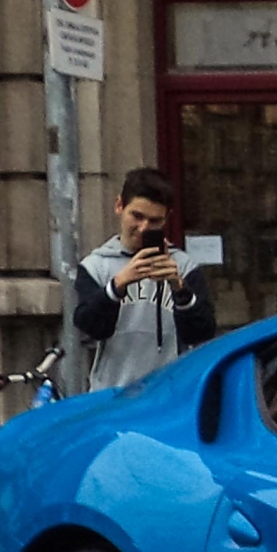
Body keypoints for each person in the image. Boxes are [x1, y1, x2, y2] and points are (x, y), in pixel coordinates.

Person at [74, 168, 216, 392]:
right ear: (119, 206)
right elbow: (90, 328)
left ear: (166, 219)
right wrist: (117, 285)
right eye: (137, 216)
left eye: (154, 221)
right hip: (112, 394)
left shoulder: (183, 265)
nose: (143, 228)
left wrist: (179, 288)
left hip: (170, 393)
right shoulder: (96, 265)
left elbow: (202, 333)